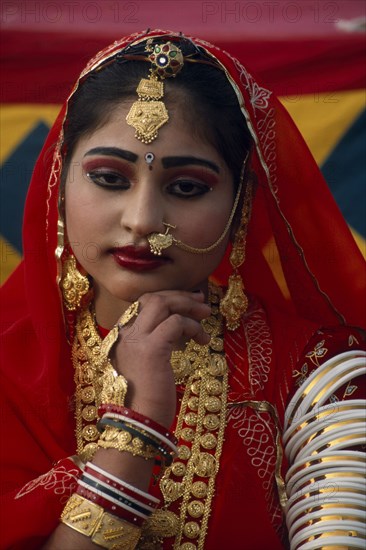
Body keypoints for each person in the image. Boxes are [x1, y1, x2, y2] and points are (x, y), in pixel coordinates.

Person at [0, 29, 365, 550]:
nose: (143, 220)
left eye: (187, 187)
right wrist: (140, 425)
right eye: (109, 177)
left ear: (242, 206)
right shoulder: (8, 367)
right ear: (60, 182)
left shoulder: (316, 376)